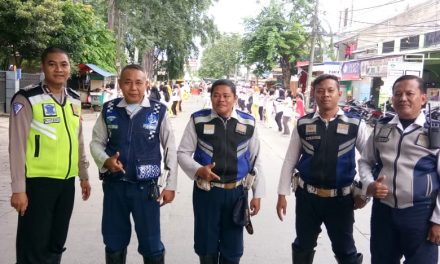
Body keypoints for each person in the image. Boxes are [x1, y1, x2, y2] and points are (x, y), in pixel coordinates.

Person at [9, 46, 91, 264]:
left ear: (69, 68)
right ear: (43, 67)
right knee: (33, 245)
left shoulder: (74, 99)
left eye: (63, 64)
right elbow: (16, 147)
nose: (59, 69)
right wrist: (19, 189)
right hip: (37, 183)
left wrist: (83, 175)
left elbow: (78, 139)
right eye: (52, 64)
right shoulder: (26, 98)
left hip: (66, 184)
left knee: (56, 242)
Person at [90, 64, 177, 264]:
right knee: (114, 242)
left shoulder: (159, 111)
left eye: (139, 83)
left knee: (151, 245)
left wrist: (170, 185)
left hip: (146, 191)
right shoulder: (109, 109)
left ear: (146, 84)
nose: (133, 88)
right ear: (120, 84)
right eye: (127, 82)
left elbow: (170, 148)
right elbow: (96, 142)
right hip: (115, 188)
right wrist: (105, 160)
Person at [276, 74, 368, 264]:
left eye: (330, 90)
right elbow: (290, 160)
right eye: (320, 91)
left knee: (345, 250)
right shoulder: (303, 124)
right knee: (303, 245)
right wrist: (282, 194)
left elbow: (370, 160)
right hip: (307, 198)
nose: (325, 94)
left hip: (341, 200)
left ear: (339, 93)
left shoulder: (355, 124)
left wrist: (365, 193)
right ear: (314, 94)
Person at [178, 79, 265, 264]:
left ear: (235, 98)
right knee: (206, 247)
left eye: (226, 96)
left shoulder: (248, 123)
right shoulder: (198, 119)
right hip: (207, 192)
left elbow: (256, 160)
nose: (221, 100)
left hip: (237, 195)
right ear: (210, 97)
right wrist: (198, 170)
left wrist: (258, 194)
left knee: (232, 250)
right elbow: (183, 153)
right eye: (216, 95)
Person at [358, 75, 440, 264]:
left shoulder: (434, 131)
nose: (403, 98)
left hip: (421, 213)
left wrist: (438, 220)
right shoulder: (382, 127)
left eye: (409, 93)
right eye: (397, 94)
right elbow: (365, 161)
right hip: (384, 212)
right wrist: (369, 184)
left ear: (423, 98)